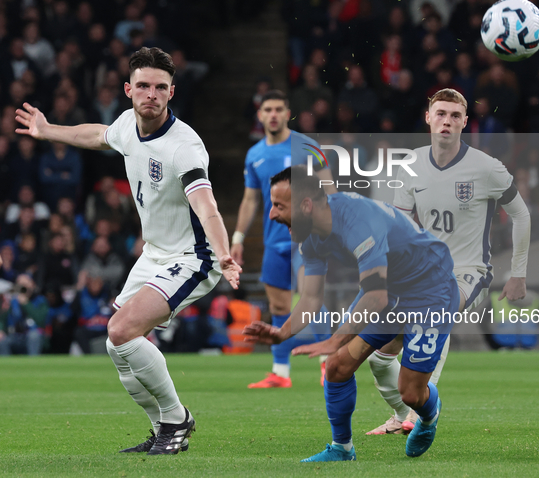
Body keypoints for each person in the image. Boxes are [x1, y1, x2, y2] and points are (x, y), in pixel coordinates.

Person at [15, 46, 241, 455]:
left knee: (121, 330)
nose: (150, 94)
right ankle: (161, 428)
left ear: (172, 92)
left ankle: (177, 418)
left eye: (159, 87)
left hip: (194, 257)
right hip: (155, 253)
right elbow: (97, 135)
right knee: (115, 344)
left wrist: (224, 253)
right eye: (143, 86)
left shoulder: (184, 146)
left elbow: (206, 205)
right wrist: (48, 131)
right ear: (128, 89)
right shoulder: (126, 125)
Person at [245, 166, 459, 460]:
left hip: (430, 288)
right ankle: (342, 449)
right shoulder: (311, 234)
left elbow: (375, 295)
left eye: (279, 206)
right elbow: (309, 298)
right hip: (390, 288)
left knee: (411, 393)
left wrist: (335, 340)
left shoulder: (357, 221)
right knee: (336, 366)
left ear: (306, 205)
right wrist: (281, 333)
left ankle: (430, 414)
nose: (271, 215)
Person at [366, 88, 531, 436]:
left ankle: (416, 411)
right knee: (379, 355)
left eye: (455, 116)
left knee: (434, 312)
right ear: (428, 117)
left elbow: (522, 215)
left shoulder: (487, 168)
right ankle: (405, 412)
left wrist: (518, 274)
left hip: (470, 273)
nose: (447, 121)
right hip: (421, 273)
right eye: (440, 113)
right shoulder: (410, 165)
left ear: (465, 122)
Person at [231, 90, 335, 389]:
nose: (273, 114)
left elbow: (330, 190)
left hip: (308, 238)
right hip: (273, 241)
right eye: (268, 109)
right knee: (278, 307)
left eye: (279, 108)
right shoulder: (255, 154)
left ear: (287, 112)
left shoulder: (308, 146)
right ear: (260, 115)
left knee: (311, 299)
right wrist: (238, 237)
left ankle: (328, 364)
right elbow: (250, 200)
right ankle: (280, 372)